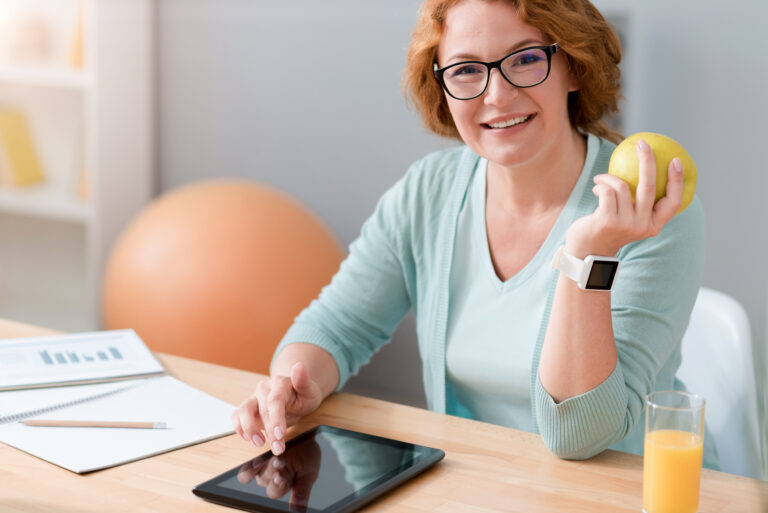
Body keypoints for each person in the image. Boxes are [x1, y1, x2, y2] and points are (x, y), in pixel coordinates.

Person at [232, 0, 717, 470]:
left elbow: (581, 436)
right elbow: (339, 326)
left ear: (573, 65)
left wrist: (588, 255)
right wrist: (291, 384)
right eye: (466, 70)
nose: (497, 95)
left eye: (526, 59)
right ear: (441, 86)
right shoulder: (430, 190)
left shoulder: (647, 209)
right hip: (474, 491)